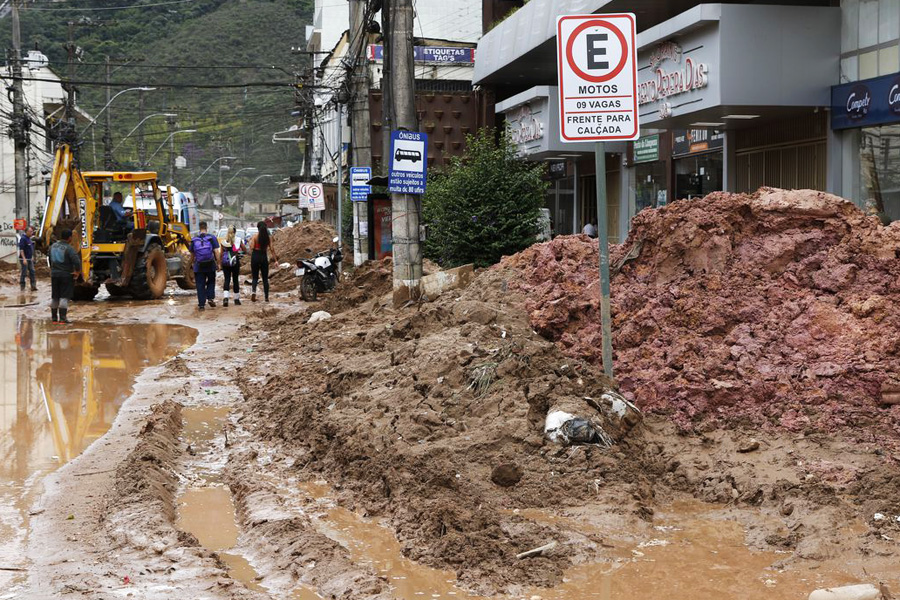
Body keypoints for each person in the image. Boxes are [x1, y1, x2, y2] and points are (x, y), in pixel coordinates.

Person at [49, 229, 81, 324]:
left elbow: (50, 259)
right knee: (64, 297)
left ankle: (54, 319)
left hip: (54, 274)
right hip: (66, 275)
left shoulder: (52, 246)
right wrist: (77, 271)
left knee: (55, 297)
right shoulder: (69, 248)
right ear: (70, 238)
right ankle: (63, 319)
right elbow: (77, 261)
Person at [190, 221, 220, 311]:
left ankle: (201, 305)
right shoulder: (212, 238)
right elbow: (216, 252)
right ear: (206, 228)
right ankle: (210, 298)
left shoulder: (194, 239)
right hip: (210, 264)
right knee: (211, 281)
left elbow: (192, 254)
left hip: (198, 265)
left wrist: (192, 264)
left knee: (200, 284)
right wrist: (218, 263)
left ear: (199, 228)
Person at [248, 221, 279, 303]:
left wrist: (249, 241)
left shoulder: (255, 236)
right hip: (263, 256)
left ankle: (254, 292)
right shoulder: (268, 238)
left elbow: (251, 248)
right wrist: (276, 260)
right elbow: (272, 249)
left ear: (258, 228)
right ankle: (266, 297)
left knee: (255, 277)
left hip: (255, 256)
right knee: (265, 278)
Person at [220, 226, 246, 307]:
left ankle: (225, 298)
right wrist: (240, 253)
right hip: (235, 261)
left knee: (227, 279)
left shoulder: (223, 241)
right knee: (235, 280)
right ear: (235, 232)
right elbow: (245, 250)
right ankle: (236, 299)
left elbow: (221, 253)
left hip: (226, 262)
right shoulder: (238, 240)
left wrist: (220, 263)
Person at [18, 226, 37, 291]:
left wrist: (31, 257)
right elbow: (21, 250)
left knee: (32, 272)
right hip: (24, 259)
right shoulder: (23, 239)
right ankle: (22, 287)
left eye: (32, 231)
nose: (32, 233)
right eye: (30, 231)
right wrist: (24, 259)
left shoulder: (29, 239)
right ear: (26, 232)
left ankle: (33, 286)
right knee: (24, 272)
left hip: (29, 259)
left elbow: (30, 249)